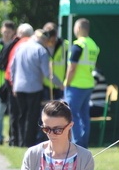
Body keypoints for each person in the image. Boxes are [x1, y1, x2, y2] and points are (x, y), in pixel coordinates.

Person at [12, 30, 62, 147]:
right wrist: (60, 84)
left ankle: (20, 142)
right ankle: (28, 142)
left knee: (21, 115)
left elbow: (13, 67)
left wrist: (14, 84)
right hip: (34, 88)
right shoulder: (41, 51)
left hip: (19, 87)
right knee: (32, 116)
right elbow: (48, 74)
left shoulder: (20, 47)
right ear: (44, 40)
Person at [63, 18, 99, 148]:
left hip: (76, 85)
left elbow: (72, 67)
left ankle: (77, 144)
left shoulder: (78, 45)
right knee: (84, 116)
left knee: (72, 115)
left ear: (78, 28)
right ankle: (83, 144)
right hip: (88, 84)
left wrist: (67, 82)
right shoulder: (93, 45)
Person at [5, 23, 33, 146]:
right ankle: (19, 140)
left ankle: (14, 140)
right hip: (22, 84)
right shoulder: (28, 44)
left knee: (15, 114)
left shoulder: (16, 44)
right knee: (24, 114)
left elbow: (11, 66)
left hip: (13, 82)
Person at [42, 22, 66, 101]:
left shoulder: (64, 45)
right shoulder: (41, 47)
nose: (51, 39)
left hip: (61, 85)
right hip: (45, 85)